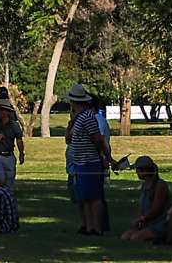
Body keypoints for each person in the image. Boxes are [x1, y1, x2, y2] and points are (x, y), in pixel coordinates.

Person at [64, 85, 111, 235]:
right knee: (84, 197)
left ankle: (96, 227)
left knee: (94, 196)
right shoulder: (78, 117)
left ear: (73, 101)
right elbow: (69, 138)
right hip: (80, 163)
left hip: (89, 162)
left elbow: (98, 139)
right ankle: (89, 226)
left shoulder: (87, 117)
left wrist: (106, 157)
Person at [121, 155, 172, 242]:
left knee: (135, 238)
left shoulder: (160, 185)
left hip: (160, 223)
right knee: (125, 237)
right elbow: (141, 208)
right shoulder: (144, 186)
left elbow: (156, 210)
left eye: (137, 170)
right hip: (147, 223)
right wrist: (140, 222)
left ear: (144, 171)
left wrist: (141, 219)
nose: (136, 172)